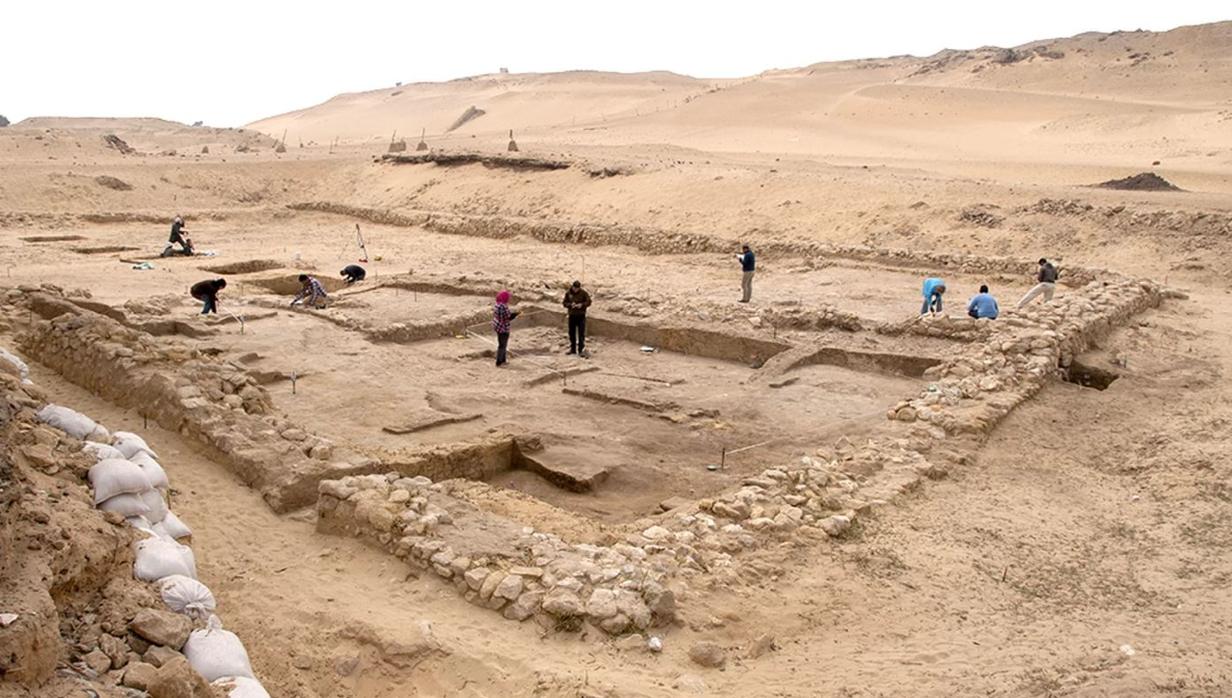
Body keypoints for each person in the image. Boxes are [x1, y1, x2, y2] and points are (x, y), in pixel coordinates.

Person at [562, 280, 591, 356]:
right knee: (572, 333)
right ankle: (573, 349)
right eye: (575, 288)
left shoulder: (583, 293)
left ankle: (581, 350)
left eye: (577, 288)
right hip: (572, 315)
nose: (576, 290)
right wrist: (571, 305)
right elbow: (564, 303)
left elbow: (589, 302)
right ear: (573, 287)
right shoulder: (568, 293)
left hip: (581, 316)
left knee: (581, 334)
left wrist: (581, 305)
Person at [492, 289, 520, 367]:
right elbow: (507, 317)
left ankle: (503, 360)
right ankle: (499, 362)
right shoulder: (503, 306)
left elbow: (504, 315)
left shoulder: (497, 304)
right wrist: (516, 315)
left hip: (498, 326)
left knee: (502, 344)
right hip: (503, 328)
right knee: (502, 345)